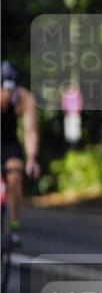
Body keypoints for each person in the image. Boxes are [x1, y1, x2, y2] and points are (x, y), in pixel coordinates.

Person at [1, 61, 40, 245]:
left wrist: (32, 158)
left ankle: (14, 226)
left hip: (8, 142)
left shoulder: (24, 98)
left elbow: (30, 131)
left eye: (11, 90)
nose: (7, 95)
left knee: (15, 175)